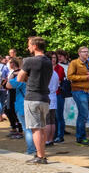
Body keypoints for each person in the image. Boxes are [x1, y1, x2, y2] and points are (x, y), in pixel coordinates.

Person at [17, 36, 53, 164]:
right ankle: (41, 154)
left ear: (35, 46)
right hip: (44, 98)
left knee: (35, 129)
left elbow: (19, 79)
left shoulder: (29, 61)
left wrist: (25, 75)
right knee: (42, 128)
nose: (28, 47)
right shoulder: (49, 61)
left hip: (32, 97)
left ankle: (40, 156)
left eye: (29, 45)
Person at [67, 46, 89, 146]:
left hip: (87, 91)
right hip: (79, 91)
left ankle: (82, 136)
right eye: (84, 52)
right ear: (79, 53)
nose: (86, 54)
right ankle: (80, 138)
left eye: (88, 52)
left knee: (84, 115)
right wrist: (85, 77)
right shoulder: (74, 63)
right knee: (83, 115)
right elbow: (70, 76)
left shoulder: (88, 63)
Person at [7, 57, 36, 155]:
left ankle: (31, 149)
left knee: (27, 129)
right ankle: (38, 148)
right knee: (36, 128)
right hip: (35, 103)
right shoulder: (36, 76)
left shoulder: (20, 78)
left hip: (22, 104)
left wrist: (14, 75)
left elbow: (8, 85)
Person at [44, 51, 61, 147]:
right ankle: (50, 140)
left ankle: (47, 140)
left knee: (48, 121)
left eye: (54, 58)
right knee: (51, 120)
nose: (53, 60)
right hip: (53, 97)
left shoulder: (47, 72)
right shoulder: (54, 72)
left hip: (47, 97)